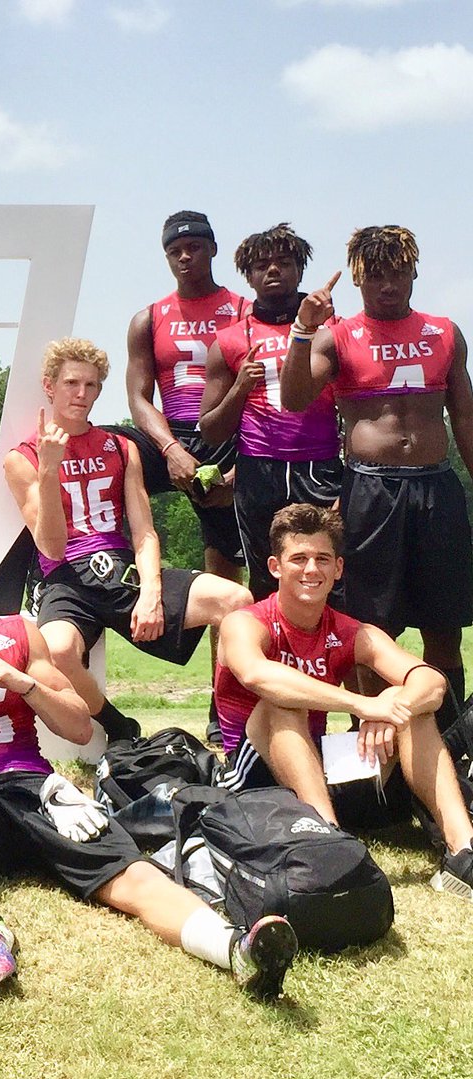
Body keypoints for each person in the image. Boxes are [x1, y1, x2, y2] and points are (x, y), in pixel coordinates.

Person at [0, 530, 297, 999]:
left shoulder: (15, 632)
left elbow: (78, 728)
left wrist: (23, 683)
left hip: (37, 791)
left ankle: (235, 949)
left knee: (132, 873)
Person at [215, 504, 473, 898]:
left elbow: (432, 682)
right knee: (282, 701)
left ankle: (463, 853)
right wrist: (361, 705)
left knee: (409, 709)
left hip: (317, 770)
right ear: (274, 566)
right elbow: (256, 675)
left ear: (338, 569)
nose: (311, 569)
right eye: (298, 559)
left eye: (322, 559)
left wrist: (392, 703)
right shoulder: (246, 622)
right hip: (255, 781)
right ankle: (332, 849)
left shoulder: (350, 630)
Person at [3, 338, 251, 742]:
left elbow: (145, 531)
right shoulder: (23, 457)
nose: (81, 394)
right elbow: (49, 546)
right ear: (49, 386)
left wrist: (152, 590)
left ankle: (229, 725)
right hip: (65, 577)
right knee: (54, 651)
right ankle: (118, 727)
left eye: (91, 385)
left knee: (236, 601)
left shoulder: (121, 447)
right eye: (71, 383)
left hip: (121, 569)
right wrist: (49, 473)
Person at [280, 226, 473, 722]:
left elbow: (466, 418)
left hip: (436, 486)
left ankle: (449, 743)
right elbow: (294, 399)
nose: (389, 284)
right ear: (360, 281)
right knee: (371, 628)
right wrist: (301, 332)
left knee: (444, 627)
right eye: (376, 275)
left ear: (414, 273)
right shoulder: (337, 337)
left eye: (398, 273)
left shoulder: (445, 332)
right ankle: (372, 740)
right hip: (371, 490)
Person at [199, 224, 342, 601]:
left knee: (329, 578)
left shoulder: (334, 330)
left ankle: (327, 659)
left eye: (283, 262)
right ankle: (265, 659)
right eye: (262, 265)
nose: (273, 270)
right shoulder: (228, 341)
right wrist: (240, 389)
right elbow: (209, 429)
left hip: (320, 465)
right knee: (266, 580)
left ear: (300, 270)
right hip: (259, 470)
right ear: (248, 276)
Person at [122, 210, 247, 582]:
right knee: (105, 449)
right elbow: (138, 398)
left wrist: (241, 475)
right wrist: (170, 449)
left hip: (226, 436)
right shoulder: (149, 318)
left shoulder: (244, 312)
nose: (185, 257)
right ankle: (109, 564)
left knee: (226, 571)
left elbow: (264, 398)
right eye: (175, 250)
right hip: (169, 434)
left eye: (194, 247)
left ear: (212, 249)